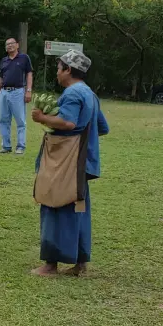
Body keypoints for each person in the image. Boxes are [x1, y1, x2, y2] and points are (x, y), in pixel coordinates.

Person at [30, 49, 108, 277]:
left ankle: (51, 264)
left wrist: (42, 118)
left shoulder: (73, 93)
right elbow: (102, 128)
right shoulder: (90, 94)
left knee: (55, 205)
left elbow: (68, 122)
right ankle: (80, 264)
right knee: (79, 209)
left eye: (59, 68)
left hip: (65, 163)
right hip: (83, 162)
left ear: (68, 70)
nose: (57, 72)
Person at [0, 37, 33, 155]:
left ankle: (20, 146)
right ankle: (6, 146)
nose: (9, 46)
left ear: (17, 45)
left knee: (20, 120)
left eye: (11, 44)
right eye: (7, 44)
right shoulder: (4, 60)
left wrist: (29, 90)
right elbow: (0, 78)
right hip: (4, 92)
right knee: (3, 120)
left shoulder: (24, 58)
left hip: (18, 92)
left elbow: (29, 74)